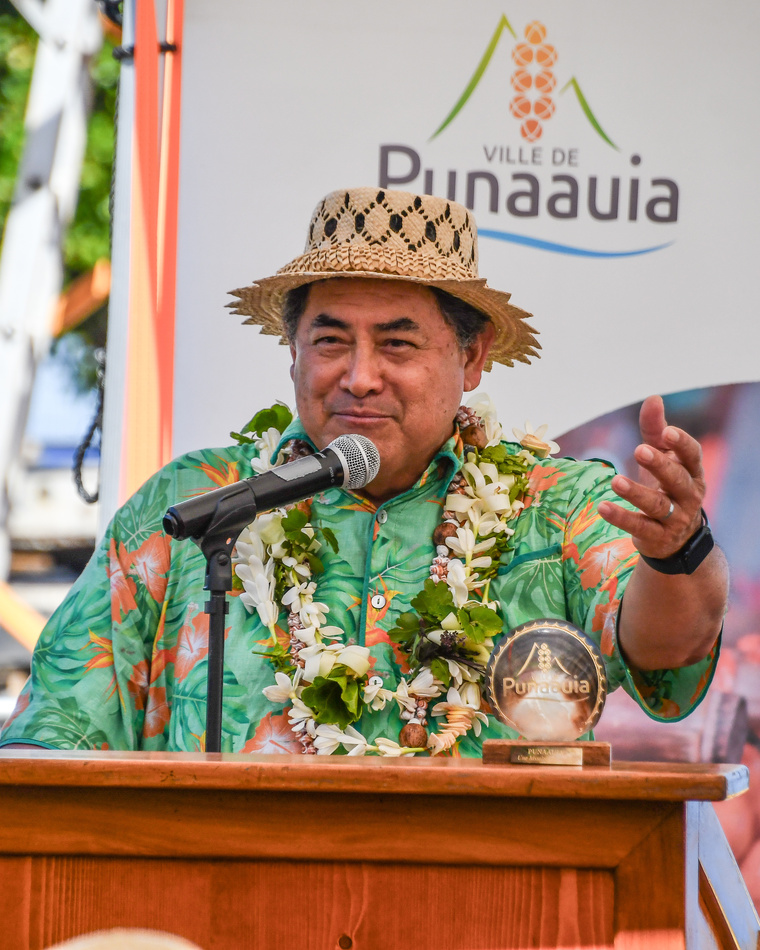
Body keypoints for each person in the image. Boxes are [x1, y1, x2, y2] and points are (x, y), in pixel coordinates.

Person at [0, 187, 727, 756]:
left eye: (398, 343)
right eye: (331, 340)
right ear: (292, 352)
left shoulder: (559, 507)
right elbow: (57, 727)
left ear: (471, 359)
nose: (359, 376)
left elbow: (669, 648)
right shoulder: (193, 505)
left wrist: (679, 552)